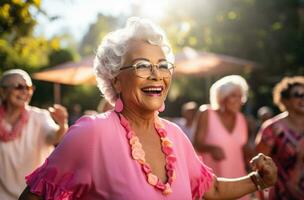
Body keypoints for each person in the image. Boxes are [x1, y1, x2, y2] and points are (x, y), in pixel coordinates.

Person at [19, 17, 277, 200]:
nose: (156, 75)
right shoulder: (91, 133)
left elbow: (214, 189)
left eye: (163, 65)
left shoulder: (175, 135)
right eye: (142, 65)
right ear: (116, 79)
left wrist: (257, 180)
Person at [0, 69, 68, 200]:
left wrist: (62, 124)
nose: (25, 91)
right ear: (3, 91)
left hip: (32, 196)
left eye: (29, 87)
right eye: (19, 87)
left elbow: (55, 137)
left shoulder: (40, 117)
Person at [193, 75, 253, 200]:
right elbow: (196, 144)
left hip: (238, 179)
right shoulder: (206, 113)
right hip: (214, 183)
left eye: (240, 96)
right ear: (222, 98)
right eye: (234, 96)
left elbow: (243, 148)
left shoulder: (242, 119)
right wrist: (211, 148)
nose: (239, 100)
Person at [255, 76, 304, 199]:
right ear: (285, 100)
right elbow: (259, 167)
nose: (303, 98)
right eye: (298, 94)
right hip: (281, 194)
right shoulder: (272, 129)